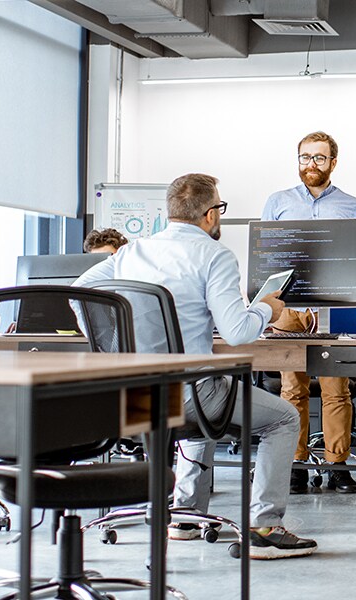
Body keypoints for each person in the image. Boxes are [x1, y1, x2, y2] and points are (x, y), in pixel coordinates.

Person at [74, 173, 317, 559]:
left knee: (202, 405)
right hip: (187, 395)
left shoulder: (131, 252)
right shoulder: (214, 255)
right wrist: (266, 308)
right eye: (218, 208)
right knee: (282, 418)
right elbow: (237, 332)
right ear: (209, 215)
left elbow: (79, 294)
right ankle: (264, 528)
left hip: (132, 396)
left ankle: (185, 517)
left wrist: (116, 336)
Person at [262, 131, 356, 495]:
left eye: (320, 158)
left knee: (338, 389)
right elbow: (267, 258)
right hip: (288, 307)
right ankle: (296, 464)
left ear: (333, 163)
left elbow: (354, 260)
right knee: (293, 389)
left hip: (332, 307)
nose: (312, 165)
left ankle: (338, 465)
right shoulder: (278, 202)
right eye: (305, 157)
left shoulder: (352, 206)